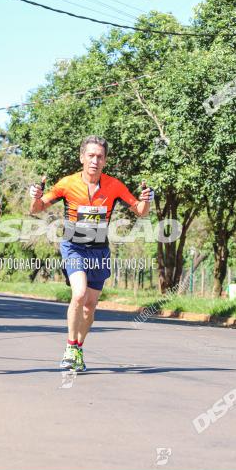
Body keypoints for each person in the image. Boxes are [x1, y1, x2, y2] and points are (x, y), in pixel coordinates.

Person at [29, 135, 153, 372]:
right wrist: (35, 197)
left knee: (90, 306)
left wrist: (147, 200)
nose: (95, 160)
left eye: (100, 157)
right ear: (82, 157)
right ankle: (70, 347)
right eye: (91, 155)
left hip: (99, 250)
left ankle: (78, 347)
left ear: (105, 161)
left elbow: (140, 211)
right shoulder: (67, 183)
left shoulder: (114, 185)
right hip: (73, 246)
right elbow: (37, 208)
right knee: (79, 295)